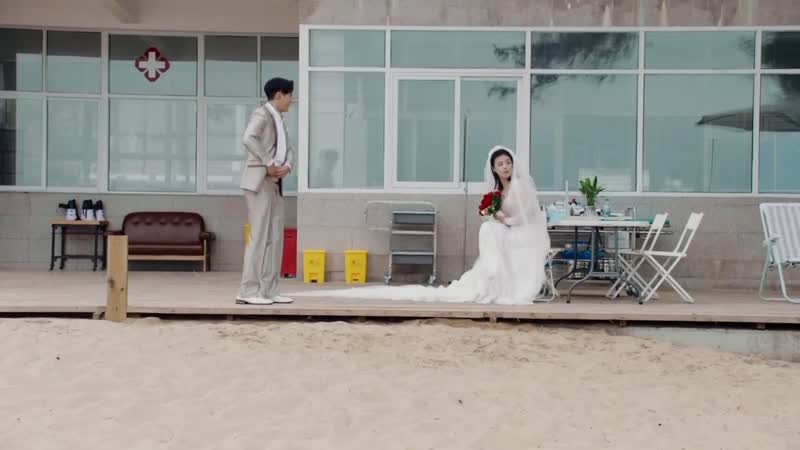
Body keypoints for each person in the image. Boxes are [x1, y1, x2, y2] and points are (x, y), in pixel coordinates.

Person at [289, 146, 551, 305]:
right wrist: (493, 216)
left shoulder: (520, 186)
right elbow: (491, 214)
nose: (505, 167)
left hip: (521, 232)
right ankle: (492, 275)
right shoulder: (496, 191)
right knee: (488, 228)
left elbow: (526, 216)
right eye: (500, 164)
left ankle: (498, 278)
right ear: (494, 168)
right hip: (505, 230)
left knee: (491, 229)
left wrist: (503, 220)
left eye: (508, 163)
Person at [235, 78, 296, 305]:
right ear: (279, 95)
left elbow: (289, 149)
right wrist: (268, 161)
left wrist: (287, 166)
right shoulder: (262, 114)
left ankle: (268, 291)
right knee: (259, 237)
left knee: (275, 238)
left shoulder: (280, 119)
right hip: (259, 181)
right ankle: (247, 292)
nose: (291, 100)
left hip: (275, 184)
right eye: (289, 95)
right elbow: (248, 137)